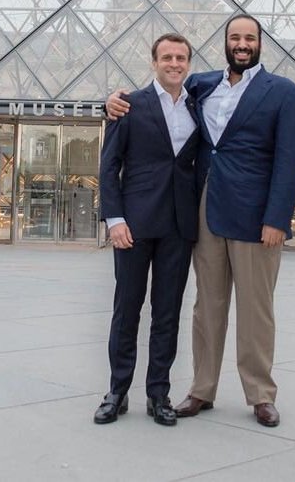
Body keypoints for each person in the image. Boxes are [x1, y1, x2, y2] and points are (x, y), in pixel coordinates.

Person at [107, 14, 295, 428]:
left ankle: (260, 394)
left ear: (260, 43)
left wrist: (277, 218)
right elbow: (156, 95)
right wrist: (110, 101)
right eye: (235, 37)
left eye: (249, 38)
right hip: (205, 211)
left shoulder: (285, 93)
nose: (242, 44)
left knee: (255, 309)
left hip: (256, 218)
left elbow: (291, 161)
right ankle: (202, 388)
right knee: (206, 307)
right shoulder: (201, 85)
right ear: (225, 43)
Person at [93, 33, 200, 427]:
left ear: (188, 63)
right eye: (167, 57)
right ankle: (117, 391)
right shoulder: (128, 105)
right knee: (127, 310)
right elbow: (109, 166)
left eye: (181, 58)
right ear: (154, 62)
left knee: (167, 314)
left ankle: (159, 393)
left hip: (178, 225)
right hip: (134, 225)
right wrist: (115, 219)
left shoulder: (198, 104)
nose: (174, 64)